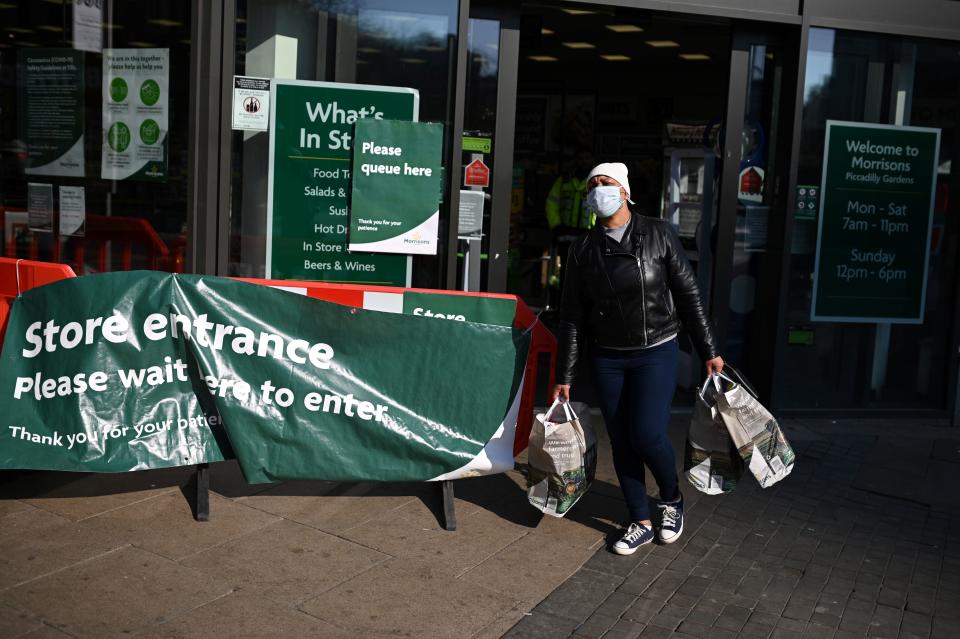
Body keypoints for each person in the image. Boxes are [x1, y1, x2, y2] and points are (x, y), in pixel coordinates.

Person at [551, 162, 723, 556]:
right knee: (623, 441)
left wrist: (708, 349)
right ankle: (639, 519)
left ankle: (670, 499)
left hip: (656, 350)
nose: (598, 191)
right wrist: (566, 374)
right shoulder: (582, 250)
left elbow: (689, 296)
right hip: (608, 358)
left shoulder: (659, 234)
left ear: (624, 191)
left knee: (646, 434)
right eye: (592, 185)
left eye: (605, 183)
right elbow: (572, 317)